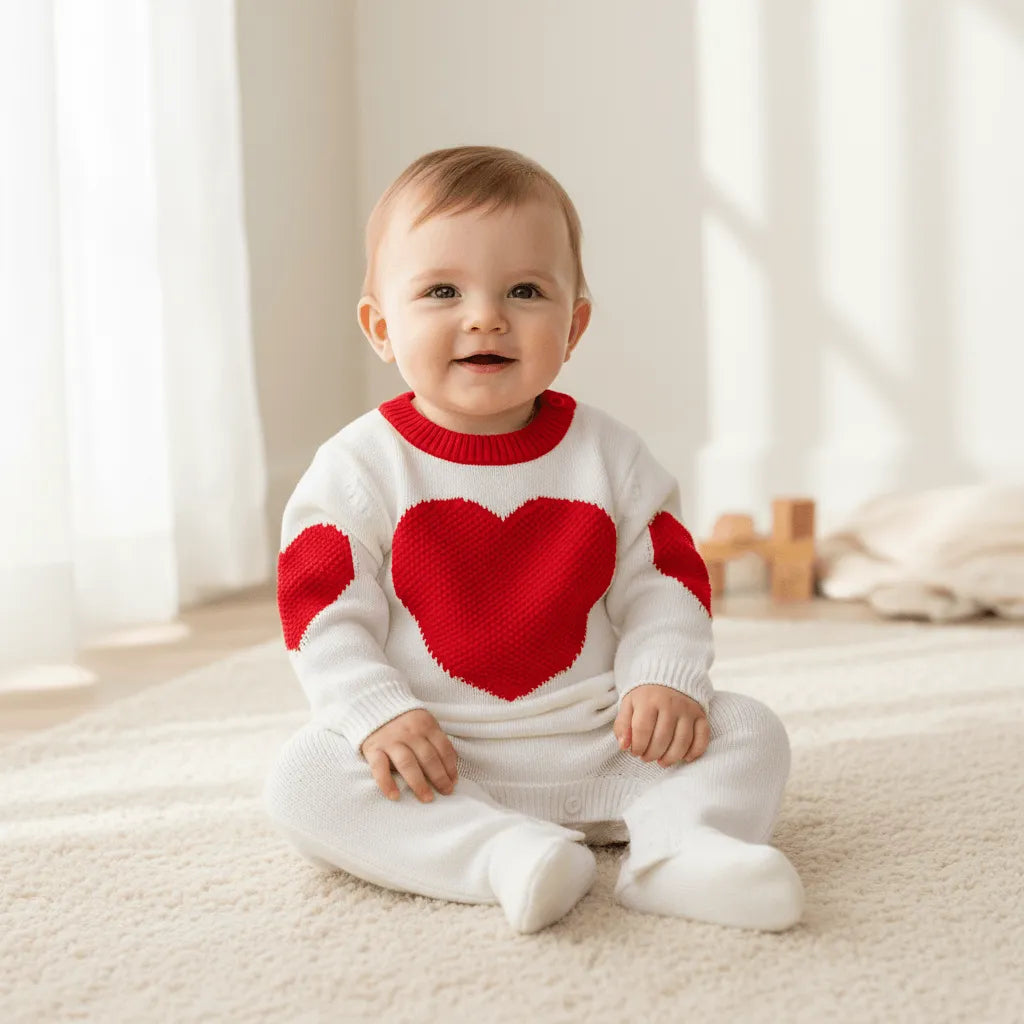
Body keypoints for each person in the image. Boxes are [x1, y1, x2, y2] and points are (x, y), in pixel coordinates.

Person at [263, 145, 805, 934]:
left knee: (749, 728)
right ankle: (501, 855)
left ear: (573, 324)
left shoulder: (610, 456)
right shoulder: (358, 468)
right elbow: (321, 612)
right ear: (382, 328)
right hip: (439, 754)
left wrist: (664, 677)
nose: (485, 315)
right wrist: (376, 714)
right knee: (304, 778)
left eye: (524, 290)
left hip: (606, 739)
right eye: (442, 290)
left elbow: (665, 581)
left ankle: (678, 849)